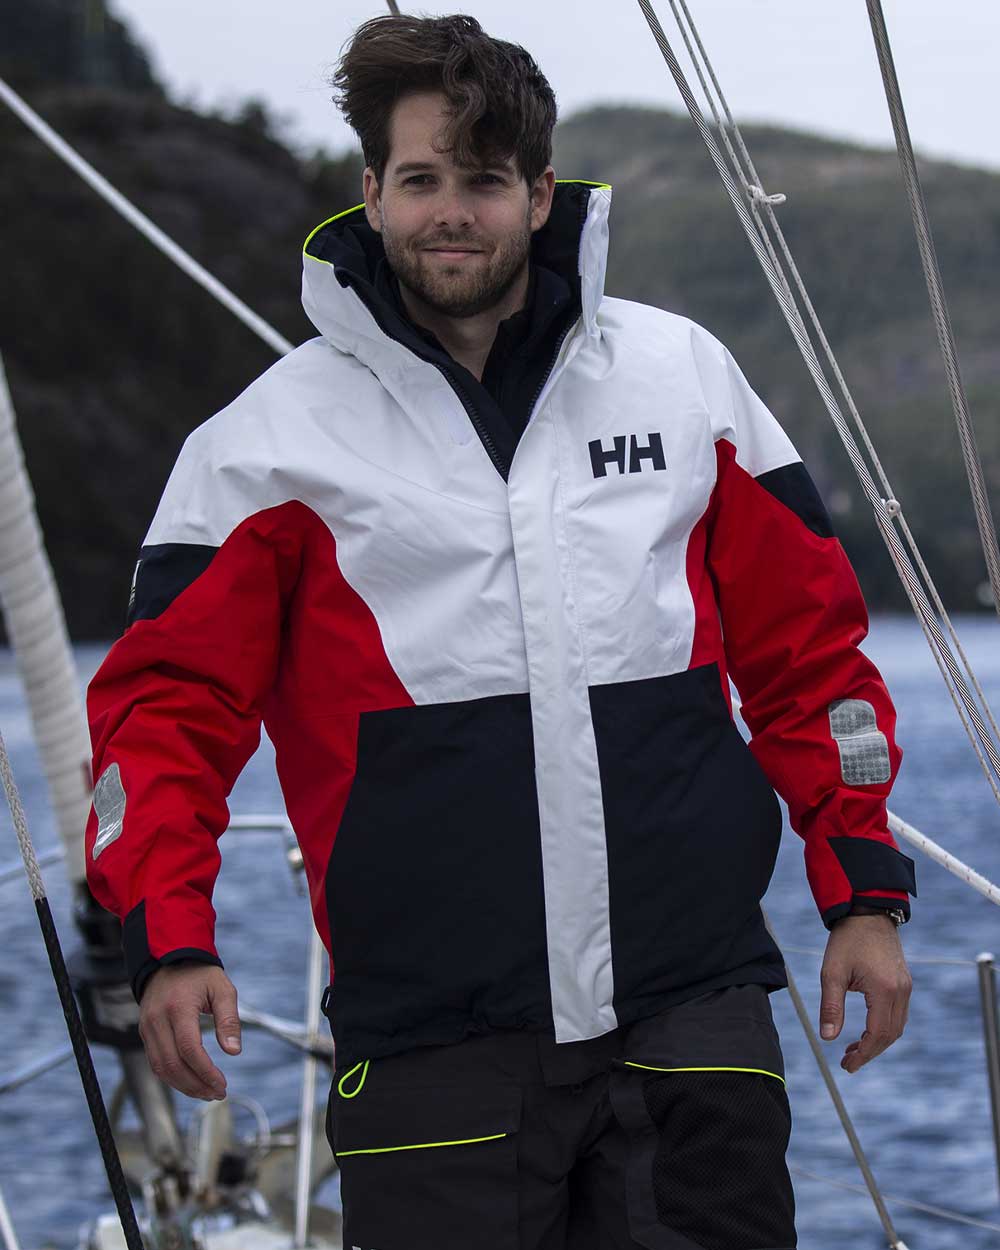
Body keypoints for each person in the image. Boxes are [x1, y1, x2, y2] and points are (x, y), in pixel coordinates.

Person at [85, 13, 916, 1248]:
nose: (450, 213)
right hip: (434, 1038)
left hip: (690, 1012)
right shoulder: (267, 448)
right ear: (371, 192)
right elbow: (164, 719)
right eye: (420, 180)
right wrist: (170, 938)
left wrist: (861, 891)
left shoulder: (683, 383)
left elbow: (815, 664)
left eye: (481, 181)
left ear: (538, 193)